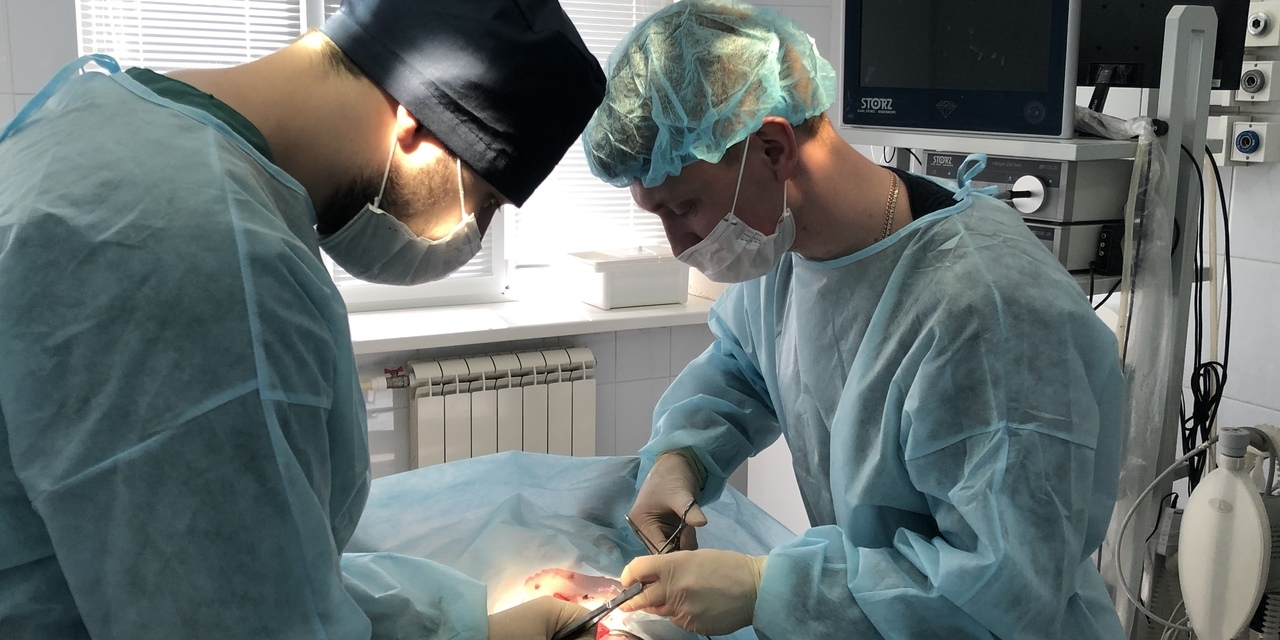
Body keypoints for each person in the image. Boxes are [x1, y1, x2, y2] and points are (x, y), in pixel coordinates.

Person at [0, 0, 605, 638]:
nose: (469, 236)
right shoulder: (207, 254)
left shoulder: (104, 118)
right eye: (483, 204)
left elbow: (258, 566)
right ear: (418, 130)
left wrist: (460, 625)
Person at [581, 1, 1127, 638]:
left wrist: (771, 589)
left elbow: (1004, 588)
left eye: (684, 208)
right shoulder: (785, 253)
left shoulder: (987, 310)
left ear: (773, 148)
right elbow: (742, 369)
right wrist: (683, 455)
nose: (679, 245)